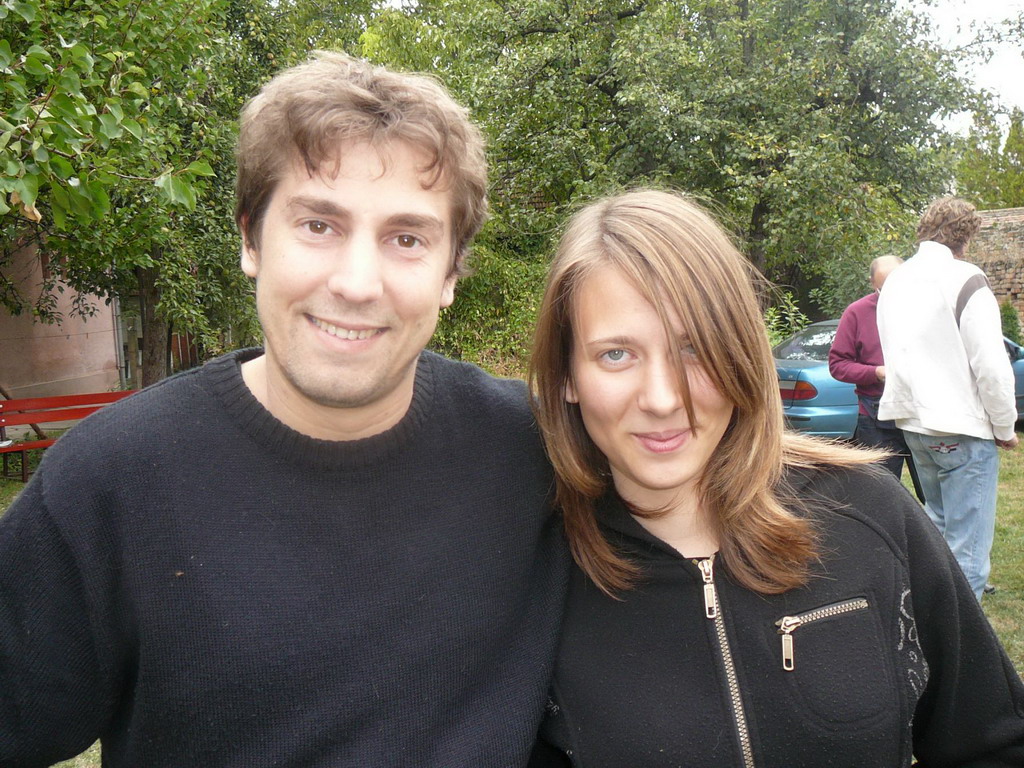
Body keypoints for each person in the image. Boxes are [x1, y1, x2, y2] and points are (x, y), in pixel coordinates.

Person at [0, 52, 567, 767]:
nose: (357, 283)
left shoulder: (540, 454)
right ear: (249, 239)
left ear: (450, 273)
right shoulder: (111, 480)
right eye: (319, 225)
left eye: (407, 238)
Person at [527, 190, 1024, 767]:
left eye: (694, 348)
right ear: (567, 375)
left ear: (740, 351)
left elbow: (993, 740)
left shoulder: (870, 514)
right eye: (616, 354)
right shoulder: (531, 576)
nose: (662, 399)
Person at [877, 196, 1018, 601]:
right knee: (967, 552)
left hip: (915, 425)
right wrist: (1004, 426)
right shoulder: (966, 277)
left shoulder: (896, 281)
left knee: (937, 534)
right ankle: (958, 640)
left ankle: (925, 627)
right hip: (959, 427)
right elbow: (991, 365)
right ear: (966, 236)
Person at [828, 255, 924, 500]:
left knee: (933, 493)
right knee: (879, 495)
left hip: (921, 412)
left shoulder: (925, 307)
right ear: (872, 283)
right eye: (884, 288)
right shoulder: (857, 312)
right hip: (875, 417)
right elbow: (837, 365)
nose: (893, 294)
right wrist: (875, 372)